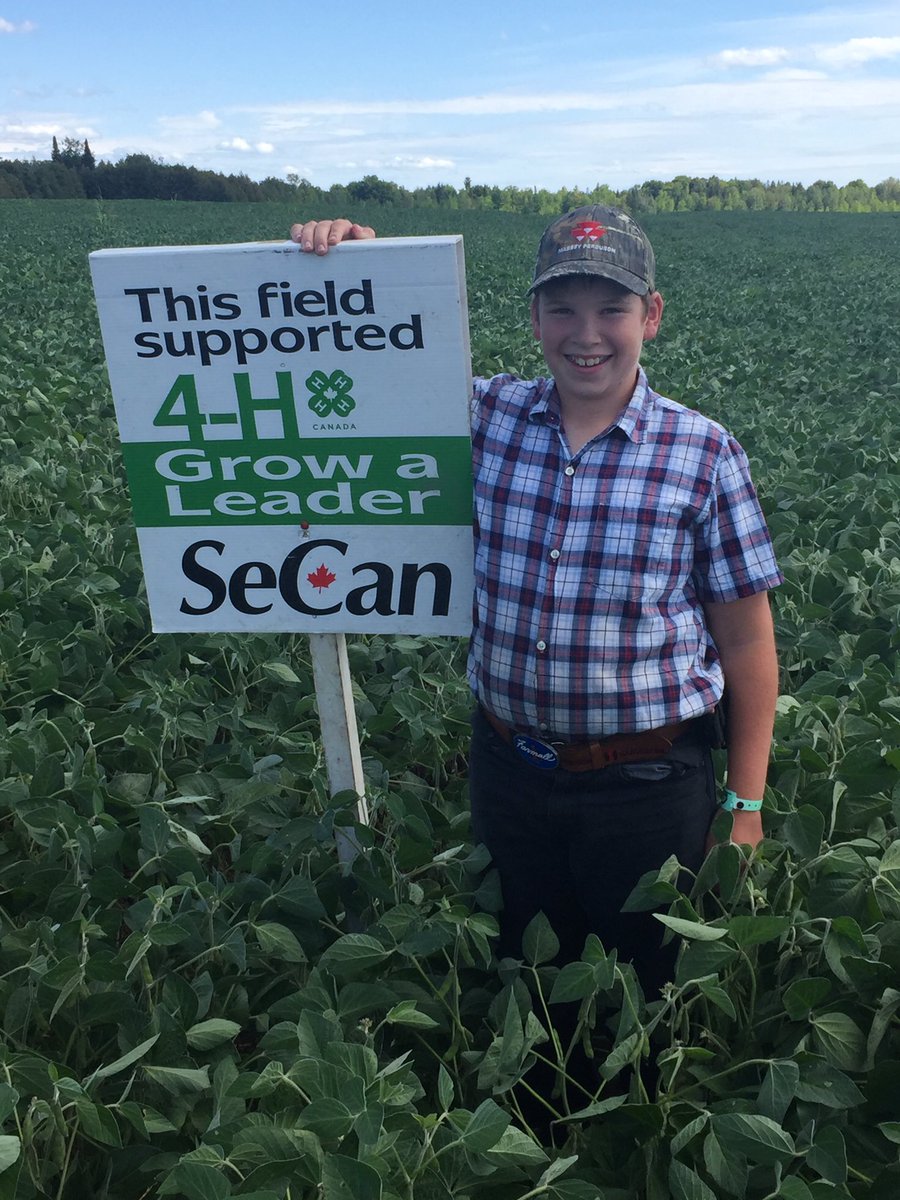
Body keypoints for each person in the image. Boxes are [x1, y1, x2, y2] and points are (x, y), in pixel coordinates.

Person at [290, 210, 781, 996]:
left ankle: (625, 1119)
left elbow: (748, 643)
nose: (586, 334)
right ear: (534, 319)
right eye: (563, 309)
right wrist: (363, 268)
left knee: (640, 990)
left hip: (648, 783)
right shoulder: (483, 420)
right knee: (525, 971)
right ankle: (535, 1118)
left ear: (650, 316)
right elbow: (385, 371)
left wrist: (745, 803)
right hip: (510, 770)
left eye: (611, 308)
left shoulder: (702, 453)